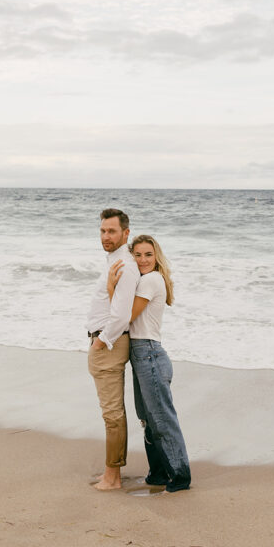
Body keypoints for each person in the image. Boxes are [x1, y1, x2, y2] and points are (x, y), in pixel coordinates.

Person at [108, 234, 191, 493]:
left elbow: (126, 316)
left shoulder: (152, 280)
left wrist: (112, 288)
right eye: (138, 255)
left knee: (162, 418)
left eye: (148, 255)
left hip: (149, 354)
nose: (143, 260)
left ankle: (179, 477)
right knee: (147, 418)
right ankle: (157, 473)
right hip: (141, 354)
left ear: (157, 258)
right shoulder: (143, 281)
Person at [85, 208, 140, 491]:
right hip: (107, 341)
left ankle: (113, 478)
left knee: (112, 412)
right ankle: (112, 473)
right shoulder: (115, 261)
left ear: (125, 233)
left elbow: (120, 315)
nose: (106, 236)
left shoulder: (125, 265)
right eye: (103, 231)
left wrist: (101, 341)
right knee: (112, 412)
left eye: (112, 231)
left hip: (110, 343)